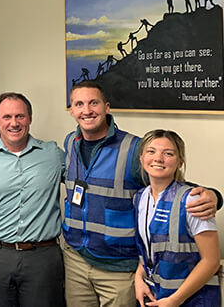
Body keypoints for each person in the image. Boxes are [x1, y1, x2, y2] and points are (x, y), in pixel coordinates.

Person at [62, 81, 221, 307]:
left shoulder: (133, 148)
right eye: (79, 104)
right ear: (71, 110)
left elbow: (168, 181)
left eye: (93, 103)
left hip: (117, 268)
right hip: (76, 259)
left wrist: (214, 196)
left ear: (107, 107)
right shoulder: (71, 143)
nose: (86, 110)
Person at [0, 92, 65, 307]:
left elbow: (84, 181)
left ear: (30, 119)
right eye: (7, 117)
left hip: (42, 257)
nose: (14, 123)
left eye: (20, 116)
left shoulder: (53, 154)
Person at [133, 130, 220, 307]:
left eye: (168, 153)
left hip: (193, 299)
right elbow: (151, 249)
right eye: (151, 152)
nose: (158, 158)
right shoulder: (139, 198)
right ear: (142, 159)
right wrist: (139, 277)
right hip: (158, 296)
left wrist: (175, 299)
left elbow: (211, 261)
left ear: (180, 162)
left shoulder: (194, 200)